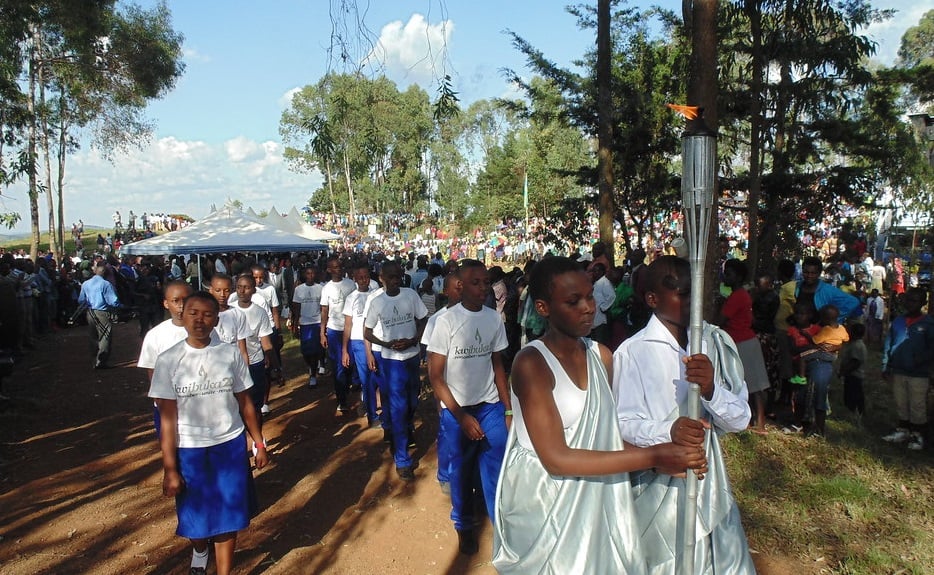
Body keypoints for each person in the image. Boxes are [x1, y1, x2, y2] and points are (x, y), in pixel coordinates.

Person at [493, 256, 707, 574]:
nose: (588, 307)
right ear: (543, 308)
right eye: (573, 301)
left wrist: (671, 450)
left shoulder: (601, 357)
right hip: (546, 502)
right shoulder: (531, 364)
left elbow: (605, 437)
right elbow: (557, 458)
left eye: (590, 295)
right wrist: (654, 456)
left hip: (597, 494)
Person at [612, 255, 755, 574]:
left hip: (709, 483)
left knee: (712, 558)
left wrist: (712, 391)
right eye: (681, 293)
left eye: (695, 292)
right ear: (653, 299)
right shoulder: (633, 352)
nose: (692, 302)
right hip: (660, 487)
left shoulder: (711, 344)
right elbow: (623, 423)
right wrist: (668, 432)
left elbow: (741, 419)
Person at [149, 291, 268, 575]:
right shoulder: (168, 360)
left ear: (216, 320)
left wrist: (258, 442)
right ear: (182, 316)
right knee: (196, 522)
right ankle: (200, 549)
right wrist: (170, 469)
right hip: (190, 450)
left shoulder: (229, 354)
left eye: (207, 314)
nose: (199, 320)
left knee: (229, 518)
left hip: (229, 446)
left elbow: (245, 402)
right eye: (193, 313)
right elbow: (167, 420)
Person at [426, 260, 509, 555]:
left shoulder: (493, 319)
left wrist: (507, 408)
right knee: (460, 471)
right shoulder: (445, 322)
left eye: (486, 282)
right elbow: (435, 375)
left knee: (497, 466)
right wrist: (460, 416)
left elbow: (498, 364)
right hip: (457, 410)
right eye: (476, 283)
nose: (483, 288)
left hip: (490, 407)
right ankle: (464, 524)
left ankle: (501, 524)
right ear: (460, 286)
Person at [364, 260, 428, 481]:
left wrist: (413, 340)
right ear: (381, 278)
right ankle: (402, 458)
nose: (394, 281)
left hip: (412, 357)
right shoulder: (377, 302)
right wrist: (386, 344)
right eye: (390, 277)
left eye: (398, 276)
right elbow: (367, 331)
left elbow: (423, 318)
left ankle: (396, 427)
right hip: (391, 360)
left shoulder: (410, 295)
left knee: (412, 403)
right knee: (399, 407)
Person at [716, 259, 771, 434]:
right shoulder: (738, 295)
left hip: (743, 342)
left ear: (738, 277)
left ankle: (760, 423)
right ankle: (753, 421)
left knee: (754, 384)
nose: (726, 277)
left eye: (729, 274)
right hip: (741, 340)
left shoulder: (737, 296)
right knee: (748, 383)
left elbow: (721, 320)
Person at [421, 272, 464, 495]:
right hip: (447, 388)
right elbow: (431, 361)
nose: (461, 291)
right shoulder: (436, 320)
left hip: (469, 388)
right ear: (446, 292)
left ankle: (462, 474)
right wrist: (438, 396)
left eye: (463, 286)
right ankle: (445, 475)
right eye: (457, 288)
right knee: (448, 432)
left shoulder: (475, 315)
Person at [137, 280, 194, 437]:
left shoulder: (205, 330)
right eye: (175, 301)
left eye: (186, 299)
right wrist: (160, 401)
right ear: (166, 303)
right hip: (168, 402)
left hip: (198, 401)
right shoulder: (156, 335)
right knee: (171, 445)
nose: (181, 305)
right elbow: (152, 371)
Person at [880, 288, 934, 451]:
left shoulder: (928, 323)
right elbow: (889, 342)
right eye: (908, 300)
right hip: (898, 369)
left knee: (917, 404)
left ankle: (917, 435)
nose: (910, 304)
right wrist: (885, 364)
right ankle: (902, 430)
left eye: (915, 301)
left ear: (923, 303)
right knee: (901, 401)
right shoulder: (898, 321)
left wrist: (921, 359)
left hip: (919, 372)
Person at [797, 304, 848, 437]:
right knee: (816, 395)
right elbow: (846, 339)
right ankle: (815, 428)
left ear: (824, 318)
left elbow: (815, 341)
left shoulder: (825, 330)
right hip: (830, 358)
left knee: (817, 395)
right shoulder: (841, 328)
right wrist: (837, 344)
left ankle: (818, 429)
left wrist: (806, 334)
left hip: (822, 360)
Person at [234, 274, 280, 418]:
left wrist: (276, 366)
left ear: (254, 290)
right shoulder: (229, 311)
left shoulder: (259, 313)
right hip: (234, 365)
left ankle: (257, 438)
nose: (242, 291)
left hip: (255, 363)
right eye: (239, 287)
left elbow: (266, 343)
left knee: (255, 405)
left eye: (246, 288)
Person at [342, 264, 378, 427]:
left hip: (376, 341)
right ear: (355, 279)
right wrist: (345, 350)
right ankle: (372, 415)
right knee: (367, 379)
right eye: (360, 277)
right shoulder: (351, 298)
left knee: (379, 377)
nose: (364, 280)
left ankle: (373, 403)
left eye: (366, 276)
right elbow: (348, 325)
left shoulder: (376, 295)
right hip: (358, 341)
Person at [320, 256, 357, 414]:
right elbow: (324, 311)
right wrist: (322, 332)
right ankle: (341, 398)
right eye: (334, 267)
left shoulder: (350, 284)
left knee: (351, 361)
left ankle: (348, 384)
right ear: (329, 270)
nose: (338, 269)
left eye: (339, 266)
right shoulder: (326, 288)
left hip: (351, 329)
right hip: (334, 330)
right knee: (338, 366)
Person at [78, 261, 121, 369]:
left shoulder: (86, 284)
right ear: (105, 274)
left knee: (93, 336)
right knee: (104, 336)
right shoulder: (105, 284)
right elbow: (113, 301)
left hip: (90, 312)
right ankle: (101, 362)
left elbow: (81, 300)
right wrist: (120, 305)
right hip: (102, 312)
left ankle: (94, 359)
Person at [796, 256, 861, 322]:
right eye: (806, 272)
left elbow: (853, 302)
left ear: (819, 274)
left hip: (820, 331)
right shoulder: (796, 287)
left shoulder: (827, 290)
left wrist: (832, 319)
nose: (809, 276)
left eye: (813, 273)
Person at [290, 266, 324, 388]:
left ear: (315, 275)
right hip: (304, 323)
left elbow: (323, 307)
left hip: (317, 322)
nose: (310, 276)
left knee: (315, 350)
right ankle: (311, 366)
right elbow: (296, 307)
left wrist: (324, 324)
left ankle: (313, 375)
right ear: (305, 275)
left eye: (312, 273)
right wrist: (294, 324)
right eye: (308, 273)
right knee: (305, 351)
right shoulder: (299, 289)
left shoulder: (320, 288)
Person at [838, 322, 866, 419]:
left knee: (853, 395)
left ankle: (856, 412)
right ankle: (854, 412)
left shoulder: (857, 346)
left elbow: (855, 362)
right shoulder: (854, 344)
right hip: (851, 375)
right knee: (850, 393)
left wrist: (843, 371)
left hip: (854, 375)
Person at [588, 261, 616, 346]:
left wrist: (604, 307)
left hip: (601, 317)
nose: (594, 273)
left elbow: (612, 296)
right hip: (595, 317)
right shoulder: (597, 283)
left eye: (596, 271)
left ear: (601, 271)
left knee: (601, 342)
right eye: (593, 271)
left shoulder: (604, 282)